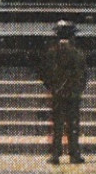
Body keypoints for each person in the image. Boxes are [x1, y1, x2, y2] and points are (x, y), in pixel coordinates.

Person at [35, 20, 88, 164]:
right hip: (73, 94)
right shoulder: (78, 53)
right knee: (73, 125)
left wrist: (52, 88)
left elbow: (43, 72)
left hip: (57, 94)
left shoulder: (51, 52)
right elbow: (83, 75)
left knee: (57, 125)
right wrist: (77, 89)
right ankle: (74, 154)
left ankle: (55, 155)